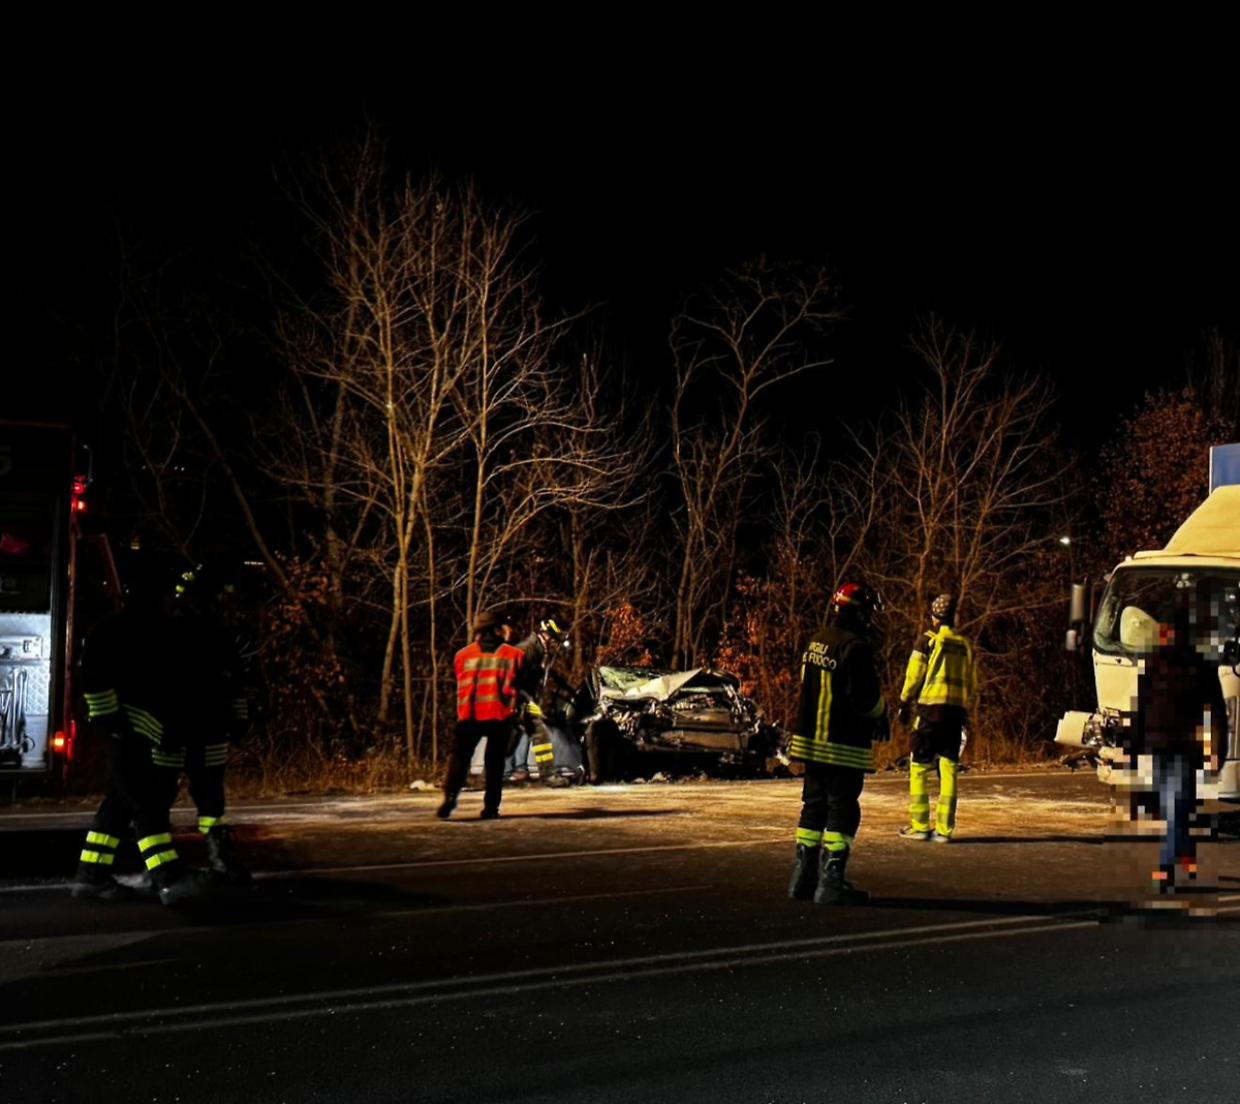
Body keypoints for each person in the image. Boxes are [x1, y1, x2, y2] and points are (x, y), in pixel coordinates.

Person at [72, 559, 203, 906]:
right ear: (154, 594)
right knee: (148, 806)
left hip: (141, 734)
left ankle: (92, 876)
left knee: (120, 804)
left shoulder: (148, 628)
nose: (175, 600)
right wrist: (114, 726)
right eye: (170, 593)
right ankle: (169, 877)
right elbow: (96, 685)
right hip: (131, 736)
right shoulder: (125, 630)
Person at [787, 583, 890, 906]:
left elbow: (808, 684)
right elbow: (865, 698)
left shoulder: (816, 641)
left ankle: (802, 879)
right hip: (842, 744)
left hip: (810, 743)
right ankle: (831, 882)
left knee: (813, 807)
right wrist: (882, 714)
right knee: (843, 810)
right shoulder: (855, 647)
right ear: (860, 612)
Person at [1127, 581, 1228, 895]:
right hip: (1157, 748)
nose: (1164, 635)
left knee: (1176, 806)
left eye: (1168, 630)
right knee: (1172, 807)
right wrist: (1132, 751)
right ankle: (1184, 851)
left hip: (1184, 748)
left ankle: (1166, 867)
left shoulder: (1200, 667)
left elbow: (1218, 712)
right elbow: (1140, 709)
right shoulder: (1154, 666)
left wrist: (1216, 752)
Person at [170, 565, 253, 884]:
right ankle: (216, 855)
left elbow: (235, 685)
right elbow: (235, 684)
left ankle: (168, 863)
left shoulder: (174, 632)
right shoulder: (218, 635)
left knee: (172, 793)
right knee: (208, 794)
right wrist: (239, 723)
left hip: (183, 728)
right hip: (202, 727)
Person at [897, 593, 976, 843]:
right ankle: (944, 830)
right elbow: (973, 682)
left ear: (934, 617)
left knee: (919, 767)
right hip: (955, 714)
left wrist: (903, 702)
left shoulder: (927, 641)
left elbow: (913, 676)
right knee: (949, 768)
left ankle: (920, 826)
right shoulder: (964, 645)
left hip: (929, 713)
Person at [438, 609, 525, 820]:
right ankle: (491, 808)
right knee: (494, 764)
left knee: (459, 759)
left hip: (469, 715)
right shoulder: (514, 656)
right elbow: (520, 685)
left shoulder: (463, 656)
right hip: (499, 716)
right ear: (497, 629)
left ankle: (450, 797)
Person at [506, 617, 567, 785]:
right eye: (555, 640)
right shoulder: (527, 649)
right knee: (512, 738)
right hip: (517, 698)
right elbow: (511, 676)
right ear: (546, 636)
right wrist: (519, 699)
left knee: (534, 734)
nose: (556, 644)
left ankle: (547, 775)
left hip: (524, 697)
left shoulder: (540, 650)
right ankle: (488, 776)